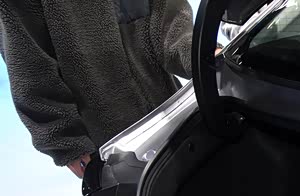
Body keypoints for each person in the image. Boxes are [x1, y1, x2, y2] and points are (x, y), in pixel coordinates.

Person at [0, 0, 195, 178]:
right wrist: (68, 145)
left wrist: (201, 57)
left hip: (177, 122)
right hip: (108, 151)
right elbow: (29, 64)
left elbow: (170, 23)